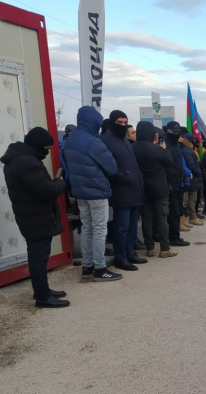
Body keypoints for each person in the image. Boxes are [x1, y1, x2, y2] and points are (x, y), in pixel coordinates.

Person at [1, 127, 69, 308]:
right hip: (35, 217)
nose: (46, 153)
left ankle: (42, 290)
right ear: (38, 145)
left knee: (38, 255)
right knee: (38, 257)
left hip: (31, 216)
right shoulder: (27, 163)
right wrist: (59, 183)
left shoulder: (19, 159)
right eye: (46, 149)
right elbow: (46, 191)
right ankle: (43, 297)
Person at [62, 106, 122, 282]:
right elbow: (111, 167)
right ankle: (100, 268)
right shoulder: (94, 141)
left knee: (86, 228)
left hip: (80, 191)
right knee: (99, 229)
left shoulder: (71, 140)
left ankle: (87, 266)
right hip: (96, 190)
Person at [101, 110, 147, 271]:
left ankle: (129, 253)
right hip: (121, 191)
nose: (122, 125)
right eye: (119, 122)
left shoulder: (124, 139)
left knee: (132, 225)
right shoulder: (106, 140)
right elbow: (108, 167)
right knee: (121, 227)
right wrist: (124, 176)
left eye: (124, 122)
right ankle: (120, 258)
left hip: (135, 189)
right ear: (112, 122)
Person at [132, 121, 178, 259]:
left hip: (142, 189)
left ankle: (150, 247)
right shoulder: (157, 149)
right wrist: (163, 149)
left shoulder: (132, 148)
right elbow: (170, 162)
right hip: (159, 189)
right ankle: (165, 248)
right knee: (162, 218)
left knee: (146, 219)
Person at [163, 121, 190, 247]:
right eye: (173, 132)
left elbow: (180, 165)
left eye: (178, 132)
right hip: (170, 184)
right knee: (172, 212)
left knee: (177, 211)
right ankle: (173, 237)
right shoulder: (166, 145)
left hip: (179, 183)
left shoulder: (177, 146)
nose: (176, 134)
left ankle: (175, 235)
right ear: (167, 131)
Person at [181, 133, 204, 226]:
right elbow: (191, 165)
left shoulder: (188, 150)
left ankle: (192, 217)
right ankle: (192, 217)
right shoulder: (187, 151)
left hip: (193, 178)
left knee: (192, 199)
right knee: (191, 199)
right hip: (192, 178)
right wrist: (198, 172)